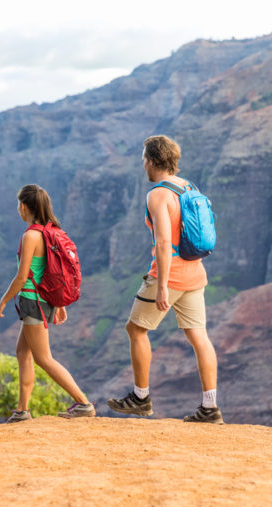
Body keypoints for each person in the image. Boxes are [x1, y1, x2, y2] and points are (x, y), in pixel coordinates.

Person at [107, 135, 224, 424]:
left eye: (144, 159)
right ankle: (210, 408)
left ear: (151, 161)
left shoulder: (158, 194)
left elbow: (163, 243)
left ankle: (140, 398)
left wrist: (161, 287)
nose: (143, 164)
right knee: (199, 336)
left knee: (135, 330)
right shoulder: (188, 186)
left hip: (169, 275)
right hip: (196, 274)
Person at [0, 184, 95, 423]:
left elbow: (22, 277)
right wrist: (58, 303)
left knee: (43, 358)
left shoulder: (30, 236)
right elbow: (51, 271)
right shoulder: (51, 232)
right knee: (22, 352)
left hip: (33, 302)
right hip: (44, 301)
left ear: (24, 206)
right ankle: (22, 411)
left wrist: (3, 302)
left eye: (18, 205)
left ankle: (83, 403)